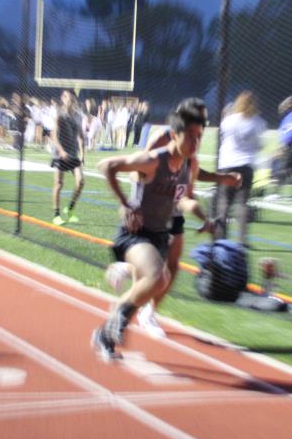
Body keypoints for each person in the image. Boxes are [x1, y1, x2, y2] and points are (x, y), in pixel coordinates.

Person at [92, 98, 212, 360]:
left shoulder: (189, 165)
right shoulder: (154, 160)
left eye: (199, 136)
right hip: (135, 234)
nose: (195, 142)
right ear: (175, 134)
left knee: (154, 284)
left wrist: (203, 217)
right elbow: (107, 166)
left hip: (159, 235)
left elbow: (184, 198)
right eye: (190, 135)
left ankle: (106, 333)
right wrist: (125, 204)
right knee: (158, 276)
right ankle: (116, 317)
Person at [112, 119, 242, 338]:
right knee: (153, 267)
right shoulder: (161, 139)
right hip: (154, 206)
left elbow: (193, 172)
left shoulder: (191, 148)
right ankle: (128, 303)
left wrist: (221, 178)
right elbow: (140, 168)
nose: (196, 138)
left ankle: (149, 312)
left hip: (176, 206)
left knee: (172, 263)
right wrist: (129, 203)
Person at [214, 90, 265, 245]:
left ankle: (220, 237)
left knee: (224, 202)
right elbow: (259, 145)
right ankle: (242, 240)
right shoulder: (258, 122)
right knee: (242, 203)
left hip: (227, 164)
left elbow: (223, 136)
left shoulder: (229, 120)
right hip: (246, 165)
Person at [50, 90, 85, 225]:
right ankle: (56, 215)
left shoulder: (78, 116)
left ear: (74, 100)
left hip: (73, 152)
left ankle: (70, 209)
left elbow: (80, 136)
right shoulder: (59, 114)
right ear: (63, 99)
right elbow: (54, 136)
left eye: (71, 98)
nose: (69, 100)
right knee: (59, 184)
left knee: (80, 182)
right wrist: (61, 151)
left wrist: (82, 154)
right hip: (60, 154)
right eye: (66, 97)